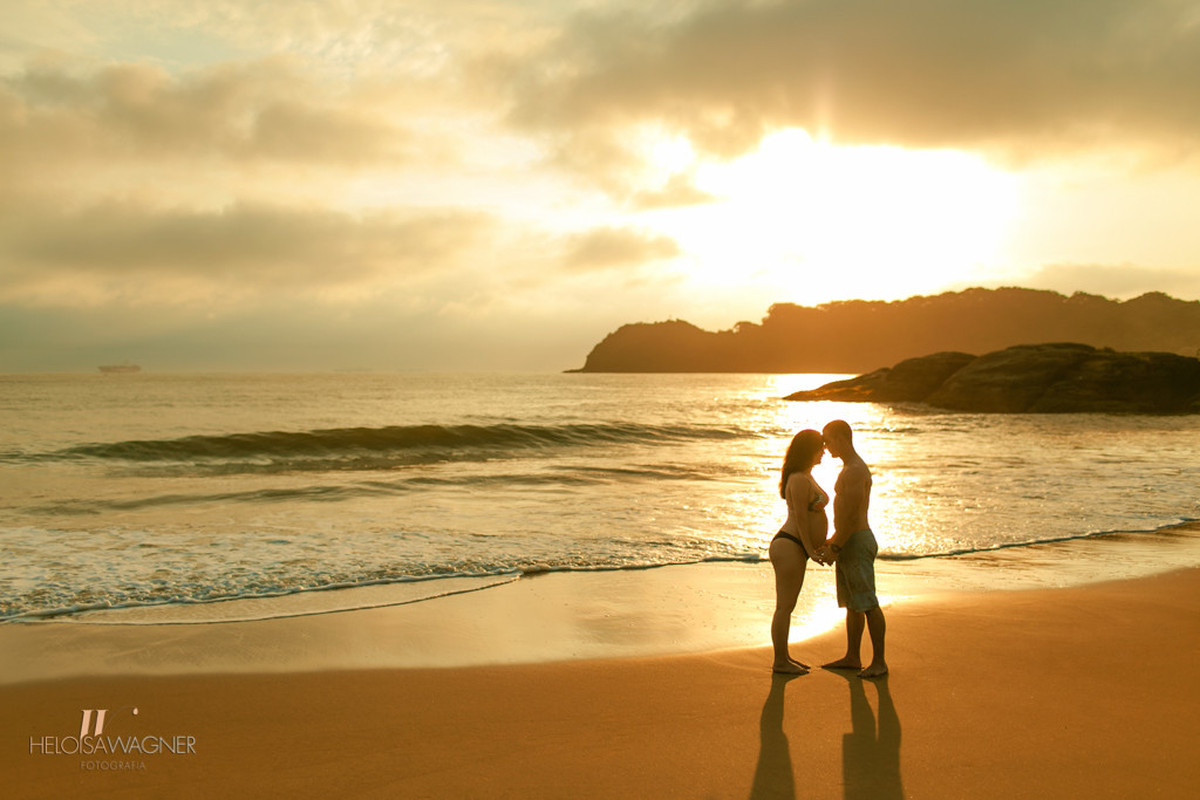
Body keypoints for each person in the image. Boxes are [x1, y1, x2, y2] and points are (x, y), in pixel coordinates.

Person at [816, 419, 888, 679]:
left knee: (868, 603)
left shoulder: (855, 470)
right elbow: (845, 516)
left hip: (856, 542)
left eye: (828, 439)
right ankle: (852, 656)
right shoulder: (848, 468)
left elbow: (852, 515)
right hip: (848, 541)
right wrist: (832, 541)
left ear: (842, 438)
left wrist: (836, 545)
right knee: (853, 605)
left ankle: (879, 662)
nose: (826, 445)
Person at [769, 429, 832, 675]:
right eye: (820, 448)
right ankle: (780, 661)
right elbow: (803, 520)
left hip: (797, 547)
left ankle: (785, 657)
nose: (824, 452)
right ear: (809, 450)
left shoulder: (806, 476)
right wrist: (810, 549)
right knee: (784, 606)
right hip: (790, 545)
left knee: (788, 605)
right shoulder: (797, 478)